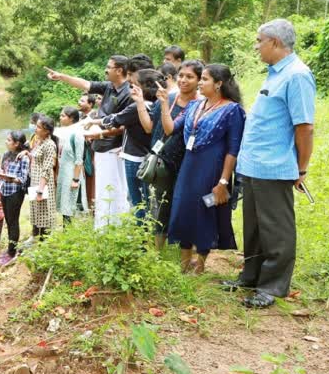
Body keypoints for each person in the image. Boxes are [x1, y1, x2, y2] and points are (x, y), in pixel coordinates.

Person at [223, 19, 316, 309]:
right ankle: (250, 276)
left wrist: (301, 169)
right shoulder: (275, 74)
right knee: (253, 227)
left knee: (276, 229)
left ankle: (273, 287)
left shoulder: (297, 75)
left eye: (259, 40)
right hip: (254, 165)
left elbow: (305, 127)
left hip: (274, 166)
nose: (256, 46)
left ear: (275, 42)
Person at [165, 64, 245, 274]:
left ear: (218, 84)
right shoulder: (194, 105)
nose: (200, 83)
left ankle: (200, 266)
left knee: (204, 212)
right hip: (189, 166)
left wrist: (223, 182)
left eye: (205, 79)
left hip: (212, 169)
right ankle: (183, 266)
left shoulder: (232, 110)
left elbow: (233, 149)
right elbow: (171, 128)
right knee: (183, 209)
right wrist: (163, 104)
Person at [45, 56, 133, 228]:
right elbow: (85, 84)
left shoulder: (128, 93)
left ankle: (116, 227)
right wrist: (61, 76)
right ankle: (103, 227)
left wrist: (98, 135)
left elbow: (125, 125)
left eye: (109, 67)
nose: (105, 70)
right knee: (101, 191)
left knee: (114, 190)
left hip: (113, 149)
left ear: (119, 70)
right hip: (99, 146)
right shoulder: (109, 87)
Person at [135, 60, 203, 249]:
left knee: (183, 204)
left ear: (199, 80)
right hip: (163, 162)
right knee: (161, 204)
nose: (183, 80)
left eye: (190, 77)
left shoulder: (201, 105)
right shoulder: (169, 98)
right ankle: (158, 250)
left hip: (187, 162)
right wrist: (140, 102)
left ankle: (186, 245)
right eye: (181, 75)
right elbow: (149, 127)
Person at [95, 69, 164, 224]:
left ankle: (142, 238)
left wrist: (92, 125)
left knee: (138, 200)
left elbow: (115, 120)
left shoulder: (138, 107)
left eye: (134, 85)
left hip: (135, 157)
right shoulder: (156, 105)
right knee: (146, 198)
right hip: (146, 156)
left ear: (144, 88)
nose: (131, 89)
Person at [0, 131, 30, 262]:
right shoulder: (6, 155)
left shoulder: (24, 158)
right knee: (8, 221)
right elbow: (3, 170)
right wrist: (0, 179)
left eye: (9, 140)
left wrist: (10, 179)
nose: (6, 142)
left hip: (15, 192)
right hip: (4, 190)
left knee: (13, 221)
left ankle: (12, 252)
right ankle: (10, 248)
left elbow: (23, 178)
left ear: (17, 144)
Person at [27, 116, 58, 238]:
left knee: (44, 215)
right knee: (36, 212)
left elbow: (47, 169)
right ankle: (36, 240)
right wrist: (28, 154)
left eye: (39, 127)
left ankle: (44, 245)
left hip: (43, 184)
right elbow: (37, 160)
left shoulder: (50, 145)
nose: (36, 128)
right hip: (35, 182)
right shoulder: (39, 141)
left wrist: (40, 190)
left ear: (47, 131)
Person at [55, 107, 84, 225]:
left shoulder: (77, 134)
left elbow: (79, 159)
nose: (60, 118)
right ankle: (66, 233)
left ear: (71, 118)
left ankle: (70, 233)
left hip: (72, 173)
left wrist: (75, 179)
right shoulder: (64, 133)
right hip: (63, 173)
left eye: (63, 116)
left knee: (69, 206)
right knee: (63, 205)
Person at [77, 95, 98, 212]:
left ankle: (93, 209)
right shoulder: (80, 117)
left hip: (92, 154)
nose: (79, 103)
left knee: (92, 182)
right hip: (81, 155)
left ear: (90, 104)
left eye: (82, 101)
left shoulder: (95, 117)